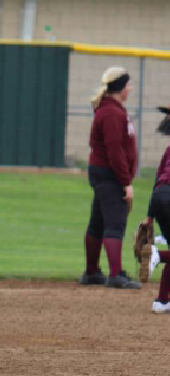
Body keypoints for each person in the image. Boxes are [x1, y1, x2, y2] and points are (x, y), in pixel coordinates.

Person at [79, 66, 140, 289]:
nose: (130, 88)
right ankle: (116, 275)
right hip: (110, 175)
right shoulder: (112, 113)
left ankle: (92, 272)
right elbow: (115, 150)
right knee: (115, 222)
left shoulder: (112, 109)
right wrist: (126, 182)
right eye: (128, 84)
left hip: (105, 173)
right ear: (121, 88)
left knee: (98, 221)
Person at [138, 106, 170, 313]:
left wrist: (150, 216)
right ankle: (157, 254)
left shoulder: (168, 149)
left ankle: (162, 302)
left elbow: (157, 180)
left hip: (160, 198)